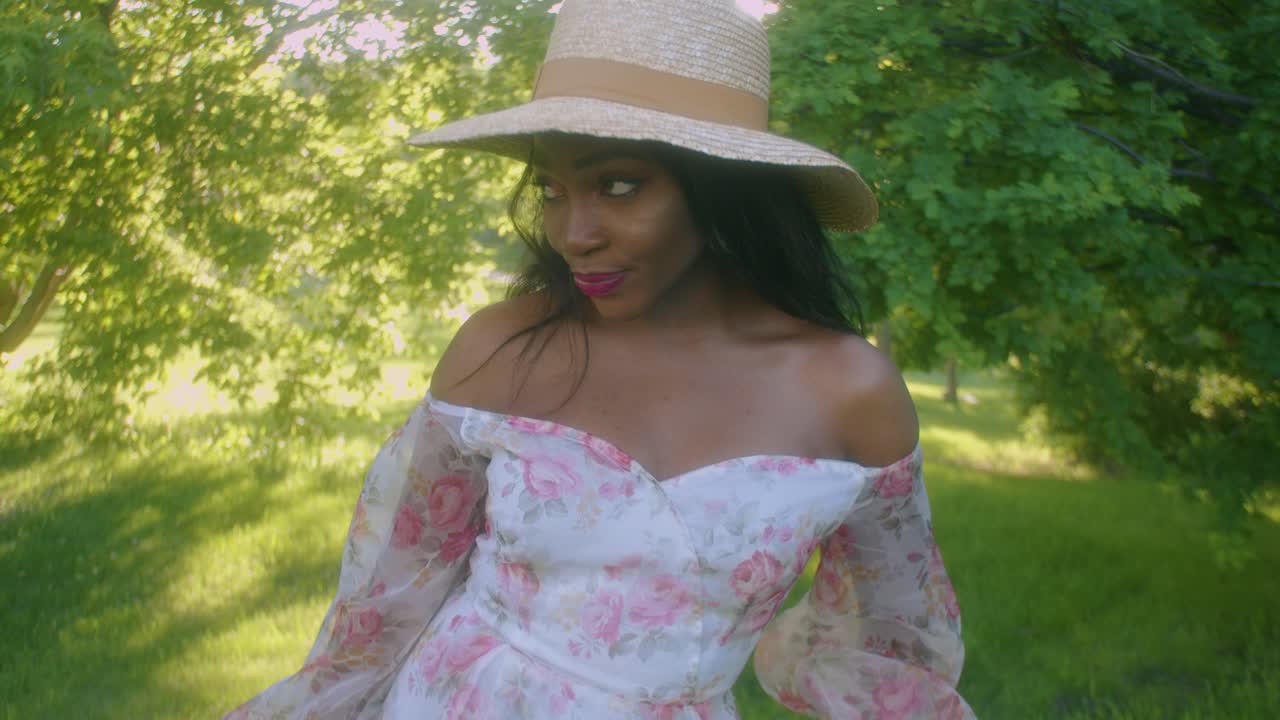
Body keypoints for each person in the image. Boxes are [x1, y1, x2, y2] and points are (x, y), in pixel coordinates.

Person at [225, 0, 974, 718]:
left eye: (618, 184)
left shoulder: (849, 396)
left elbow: (893, 651)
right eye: (553, 188)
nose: (573, 232)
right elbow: (385, 605)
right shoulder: (502, 353)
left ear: (724, 188)